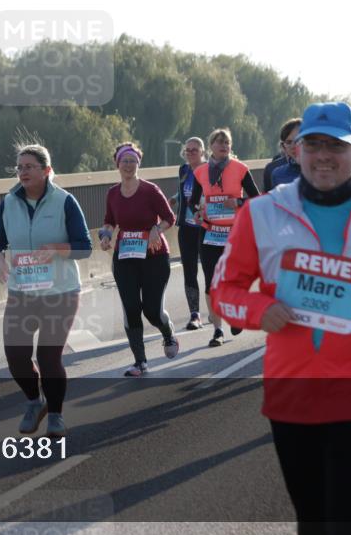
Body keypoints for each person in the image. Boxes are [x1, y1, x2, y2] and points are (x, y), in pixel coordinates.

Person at [211, 102, 351, 535]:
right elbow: (222, 293)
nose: (324, 155)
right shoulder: (262, 214)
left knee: (348, 521)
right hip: (292, 391)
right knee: (312, 520)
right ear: (297, 151)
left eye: (336, 145)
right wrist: (258, 311)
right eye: (314, 144)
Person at [0, 143, 92, 438]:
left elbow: (85, 247)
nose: (22, 172)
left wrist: (57, 249)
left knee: (49, 357)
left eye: (29, 167)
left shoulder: (65, 201)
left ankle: (56, 415)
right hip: (22, 291)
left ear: (46, 171)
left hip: (60, 293)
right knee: (16, 356)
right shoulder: (9, 201)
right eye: (19, 167)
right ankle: (35, 402)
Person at [100, 142, 179, 377]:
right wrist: (105, 235)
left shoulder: (150, 190)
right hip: (125, 258)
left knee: (153, 311)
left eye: (132, 160)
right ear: (117, 164)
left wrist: (157, 229)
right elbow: (109, 221)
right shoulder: (113, 193)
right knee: (131, 307)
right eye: (124, 161)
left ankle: (167, 333)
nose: (128, 165)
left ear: (138, 164)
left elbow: (169, 217)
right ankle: (140, 362)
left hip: (154, 256)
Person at [188, 128, 261, 347]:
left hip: (235, 234)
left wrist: (238, 203)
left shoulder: (240, 169)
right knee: (211, 284)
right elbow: (192, 202)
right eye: (219, 142)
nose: (223, 146)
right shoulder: (200, 172)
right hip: (210, 233)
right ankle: (217, 330)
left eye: (227, 143)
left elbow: (256, 199)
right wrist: (197, 213)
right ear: (211, 146)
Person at [174, 137, 206, 331]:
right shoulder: (183, 170)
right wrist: (173, 199)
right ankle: (195, 314)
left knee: (211, 270)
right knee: (189, 271)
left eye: (195, 150)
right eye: (188, 150)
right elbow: (183, 193)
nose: (191, 153)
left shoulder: (211, 170)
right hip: (186, 228)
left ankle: (217, 307)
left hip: (207, 228)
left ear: (203, 152)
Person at [269, 118, 303, 190]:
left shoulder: (321, 171)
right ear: (283, 146)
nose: (293, 146)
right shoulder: (277, 175)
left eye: (298, 140)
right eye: (289, 142)